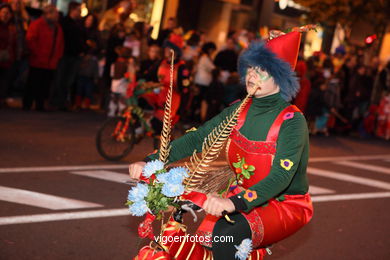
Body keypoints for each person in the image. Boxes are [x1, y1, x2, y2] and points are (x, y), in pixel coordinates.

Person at [129, 30, 313, 259]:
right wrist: (150, 161)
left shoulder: (292, 122)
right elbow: (199, 138)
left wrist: (233, 202)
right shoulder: (239, 109)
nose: (252, 75)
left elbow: (280, 178)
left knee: (226, 233)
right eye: (251, 68)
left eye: (262, 70)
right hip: (238, 193)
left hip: (282, 204)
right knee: (186, 230)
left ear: (280, 77)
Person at [23, 4, 63, 111]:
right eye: (55, 13)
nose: (57, 16)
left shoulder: (57, 27)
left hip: (50, 62)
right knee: (33, 83)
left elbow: (60, 43)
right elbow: (30, 40)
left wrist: (57, 57)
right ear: (48, 14)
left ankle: (39, 104)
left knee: (45, 85)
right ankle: (27, 104)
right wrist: (37, 53)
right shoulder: (37, 24)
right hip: (38, 60)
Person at [51, 1, 84, 110]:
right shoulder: (64, 23)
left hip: (75, 55)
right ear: (72, 10)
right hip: (64, 54)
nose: (79, 13)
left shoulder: (79, 24)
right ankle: (55, 101)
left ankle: (62, 102)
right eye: (78, 10)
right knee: (60, 79)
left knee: (68, 81)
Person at [194, 41, 217, 122]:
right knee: (200, 100)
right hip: (203, 82)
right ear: (210, 49)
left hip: (201, 81)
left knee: (198, 99)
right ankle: (197, 118)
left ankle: (197, 117)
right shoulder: (205, 58)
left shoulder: (203, 57)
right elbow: (213, 68)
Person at [0, 3, 16, 108]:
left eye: (8, 13)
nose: (6, 15)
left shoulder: (12, 28)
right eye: (4, 12)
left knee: (4, 80)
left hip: (6, 59)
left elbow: (14, 43)